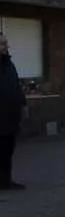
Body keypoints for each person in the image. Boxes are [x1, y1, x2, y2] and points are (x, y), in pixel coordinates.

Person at [0, 33, 27, 189]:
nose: (6, 46)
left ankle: (6, 181)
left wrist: (23, 103)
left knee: (7, 151)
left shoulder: (9, 65)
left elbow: (15, 85)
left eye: (6, 43)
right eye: (2, 44)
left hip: (11, 117)